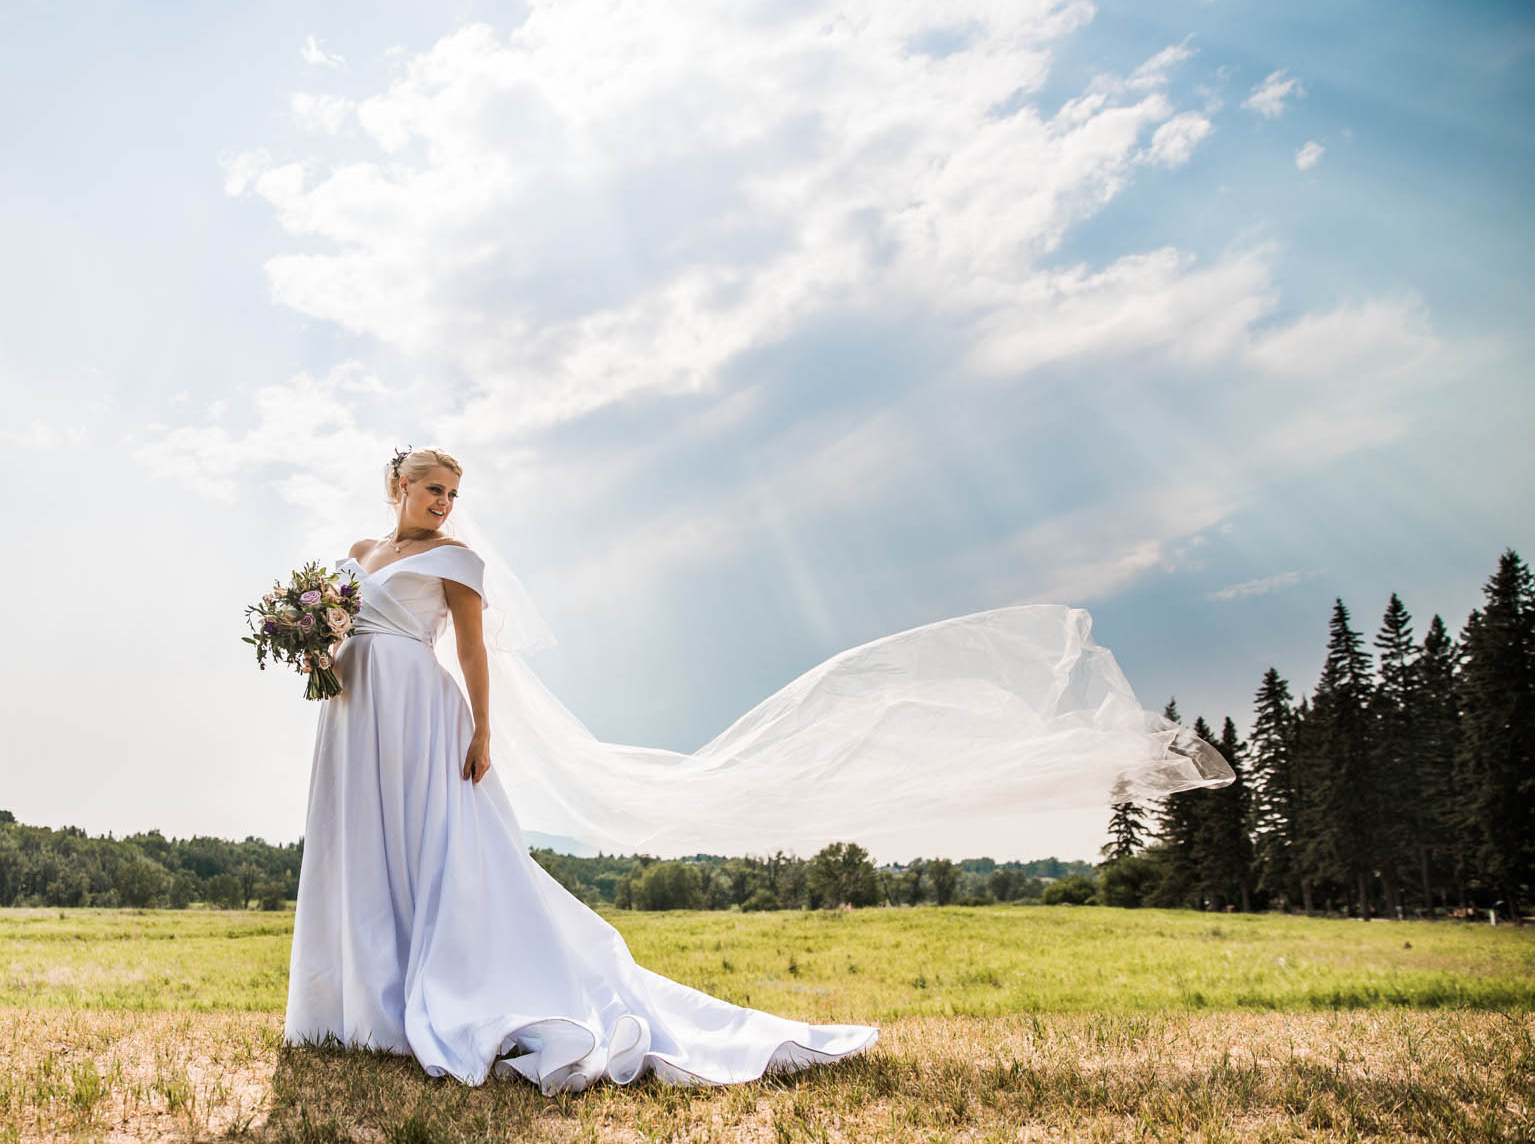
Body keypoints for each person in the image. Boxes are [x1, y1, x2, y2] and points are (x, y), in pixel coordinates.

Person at [281, 446, 1229, 1094]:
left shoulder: (459, 558)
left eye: (453, 492)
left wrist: (484, 728)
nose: (443, 503)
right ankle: (363, 999)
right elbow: (344, 626)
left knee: (442, 852)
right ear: (396, 484)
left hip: (424, 708)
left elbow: (475, 650)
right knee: (365, 847)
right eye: (431, 489)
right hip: (357, 714)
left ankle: (456, 993)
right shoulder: (361, 555)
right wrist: (311, 642)